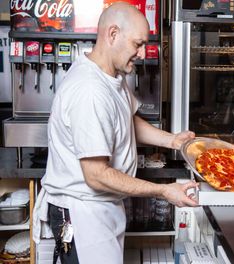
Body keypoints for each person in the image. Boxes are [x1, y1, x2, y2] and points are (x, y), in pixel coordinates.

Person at [32, 3, 198, 264]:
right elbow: (97, 176)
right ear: (112, 34)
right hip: (82, 212)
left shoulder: (112, 77)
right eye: (137, 44)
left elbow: (127, 120)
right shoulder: (89, 90)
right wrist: (163, 191)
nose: (142, 53)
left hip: (101, 208)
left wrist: (172, 140)